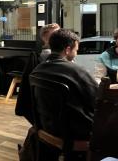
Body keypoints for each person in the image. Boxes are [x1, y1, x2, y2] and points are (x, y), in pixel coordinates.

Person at [19, 29, 98, 161]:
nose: (76, 54)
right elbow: (97, 101)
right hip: (74, 135)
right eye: (76, 50)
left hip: (46, 130)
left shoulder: (37, 70)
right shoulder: (77, 72)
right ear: (68, 50)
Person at [15, 23, 59, 124]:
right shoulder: (44, 59)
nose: (60, 36)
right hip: (51, 116)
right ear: (46, 38)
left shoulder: (46, 58)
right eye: (57, 34)